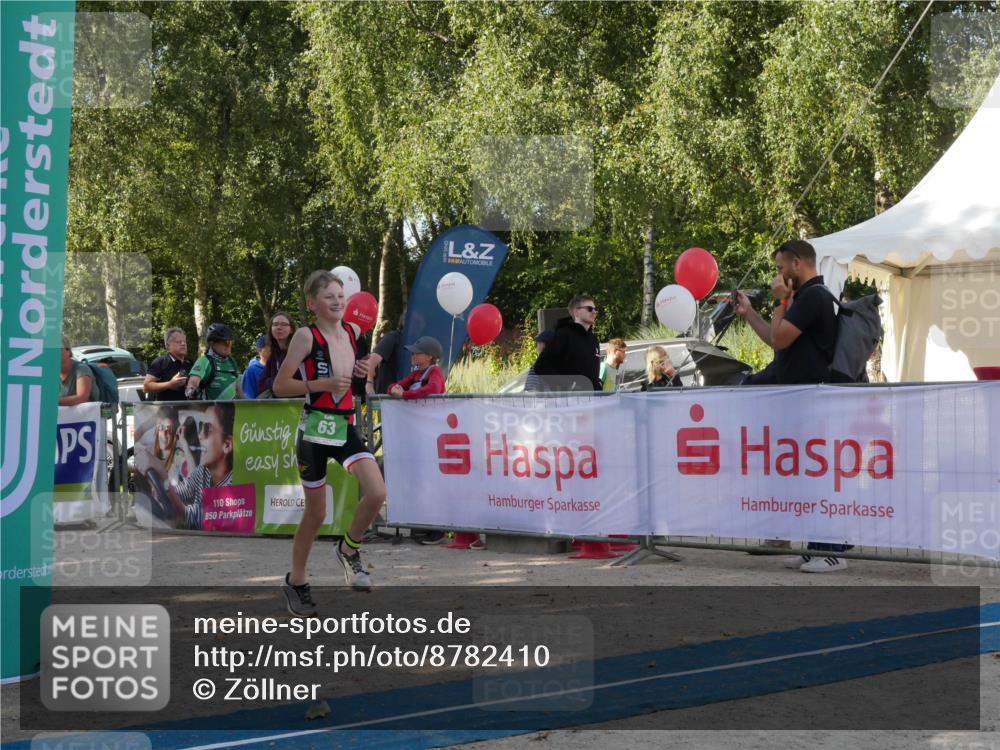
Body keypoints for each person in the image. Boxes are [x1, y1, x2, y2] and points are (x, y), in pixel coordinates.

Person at [274, 270, 386, 611]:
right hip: (313, 430)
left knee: (377, 492)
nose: (337, 301)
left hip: (344, 425)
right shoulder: (305, 337)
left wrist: (365, 368)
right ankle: (296, 581)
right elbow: (280, 386)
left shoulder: (353, 332)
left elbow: (359, 371)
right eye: (329, 297)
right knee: (316, 513)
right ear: (313, 304)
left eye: (340, 296)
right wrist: (320, 385)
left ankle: (348, 548)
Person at [734, 239, 845, 573]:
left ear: (797, 263)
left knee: (817, 477)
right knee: (804, 476)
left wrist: (780, 300)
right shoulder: (805, 296)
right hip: (799, 400)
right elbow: (776, 339)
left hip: (810, 400)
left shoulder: (813, 297)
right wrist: (750, 314)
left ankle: (832, 551)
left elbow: (779, 337)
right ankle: (814, 547)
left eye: (781, 267)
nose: (778, 275)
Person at [134, 403, 234, 530]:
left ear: (226, 445)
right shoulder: (204, 472)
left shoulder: (233, 486)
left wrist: (163, 476)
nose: (200, 435)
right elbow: (181, 491)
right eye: (200, 427)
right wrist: (157, 488)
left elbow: (189, 516)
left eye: (207, 429)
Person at [532, 294, 601, 391]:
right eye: (589, 309)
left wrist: (598, 387)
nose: (594, 312)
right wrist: (569, 385)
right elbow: (541, 366)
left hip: (592, 397)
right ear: (576, 312)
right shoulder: (563, 334)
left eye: (595, 309)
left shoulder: (593, 339)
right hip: (570, 398)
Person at [185, 323, 243, 401]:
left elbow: (238, 388)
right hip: (210, 408)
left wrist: (246, 404)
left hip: (232, 408)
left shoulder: (231, 361)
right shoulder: (204, 361)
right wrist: (191, 390)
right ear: (212, 343)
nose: (228, 346)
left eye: (230, 342)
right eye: (225, 342)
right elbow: (193, 382)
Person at [144, 328, 192, 401]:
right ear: (168, 345)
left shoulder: (189, 363)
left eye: (184, 341)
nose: (183, 344)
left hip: (188, 407)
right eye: (178, 342)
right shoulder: (160, 362)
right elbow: (146, 387)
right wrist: (170, 384)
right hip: (166, 408)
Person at [364, 313, 405, 396]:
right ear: (404, 322)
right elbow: (371, 362)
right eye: (416, 321)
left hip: (412, 397)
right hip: (389, 397)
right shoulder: (393, 337)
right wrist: (369, 383)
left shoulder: (420, 342)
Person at [259, 312, 297, 396]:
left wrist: (273, 382)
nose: (279, 327)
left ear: (291, 329)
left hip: (299, 401)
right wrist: (276, 383)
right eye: (275, 324)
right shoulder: (273, 354)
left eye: (284, 324)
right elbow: (262, 383)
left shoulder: (297, 351)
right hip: (279, 401)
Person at [58, 337, 99, 406]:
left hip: (88, 412)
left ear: (68, 351)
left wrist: (52, 402)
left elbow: (81, 398)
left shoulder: (81, 369)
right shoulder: (49, 372)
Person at [241, 335, 269, 400]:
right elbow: (247, 398)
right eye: (270, 345)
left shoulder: (280, 368)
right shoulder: (251, 371)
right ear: (260, 350)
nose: (274, 348)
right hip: (260, 406)